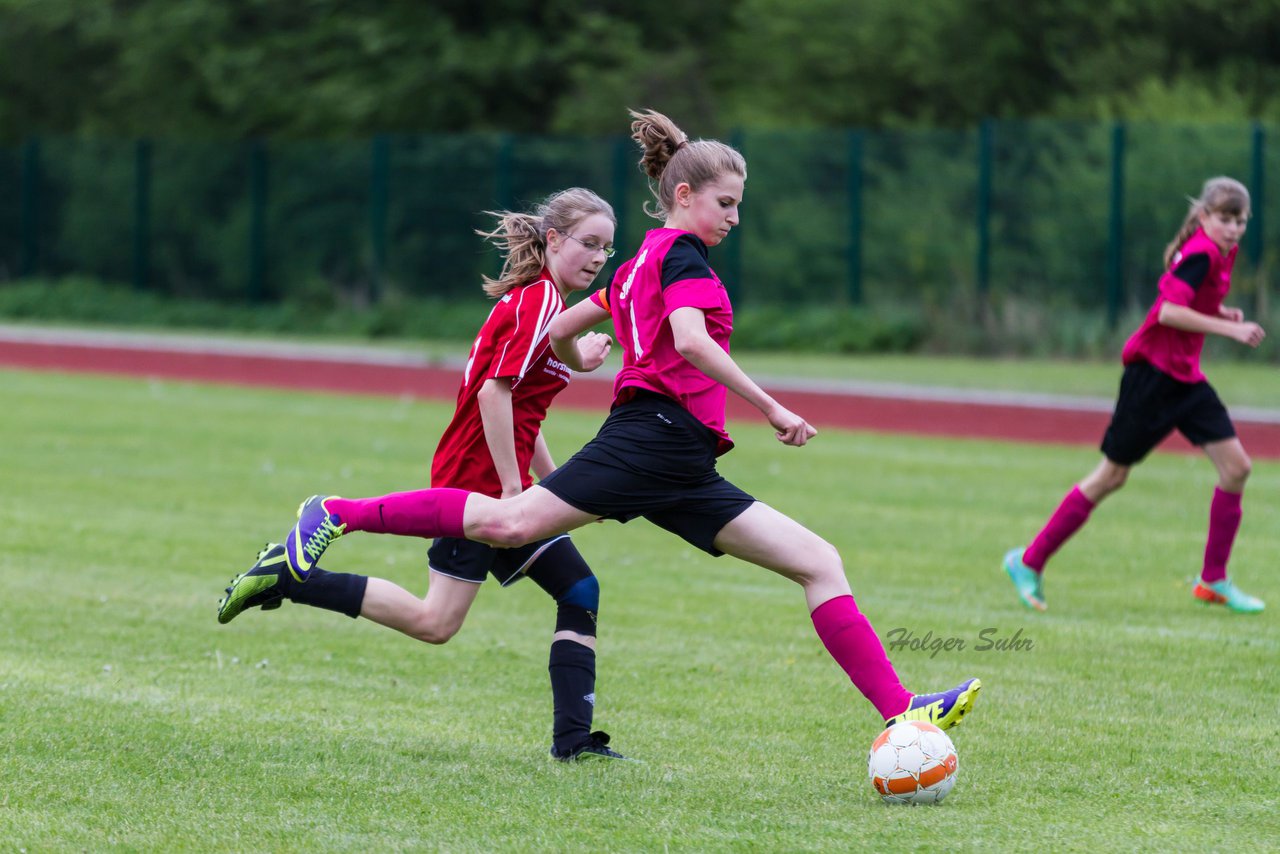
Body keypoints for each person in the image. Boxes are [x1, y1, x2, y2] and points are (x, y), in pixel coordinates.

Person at [268, 108, 981, 736]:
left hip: (681, 463)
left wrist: (586, 355)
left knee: (819, 561)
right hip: (651, 441)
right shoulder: (685, 258)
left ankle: (900, 708)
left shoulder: (638, 262)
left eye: (739, 205)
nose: (734, 217)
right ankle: (336, 511)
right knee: (507, 523)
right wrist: (772, 407)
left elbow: (558, 338)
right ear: (684, 196)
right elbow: (695, 341)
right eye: (726, 203)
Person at [218, 187, 633, 761]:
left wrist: (553, 479)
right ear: (554, 239)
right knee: (437, 621)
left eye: (606, 250)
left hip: (501, 478)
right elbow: (494, 392)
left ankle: (573, 742)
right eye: (588, 243)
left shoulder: (550, 309)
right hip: (475, 482)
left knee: (564, 592)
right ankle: (309, 552)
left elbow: (525, 411)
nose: (596, 257)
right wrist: (514, 492)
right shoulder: (538, 301)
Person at [1003, 176, 1266, 614]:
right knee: (1111, 476)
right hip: (1151, 380)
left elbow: (1189, 303)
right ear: (1204, 217)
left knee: (1237, 468)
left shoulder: (1223, 251)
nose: (1234, 228)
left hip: (1185, 379)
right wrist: (1231, 327)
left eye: (1240, 220)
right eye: (1225, 218)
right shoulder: (1201, 252)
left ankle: (1213, 580)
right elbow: (1167, 311)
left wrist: (1219, 311)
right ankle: (1027, 562)